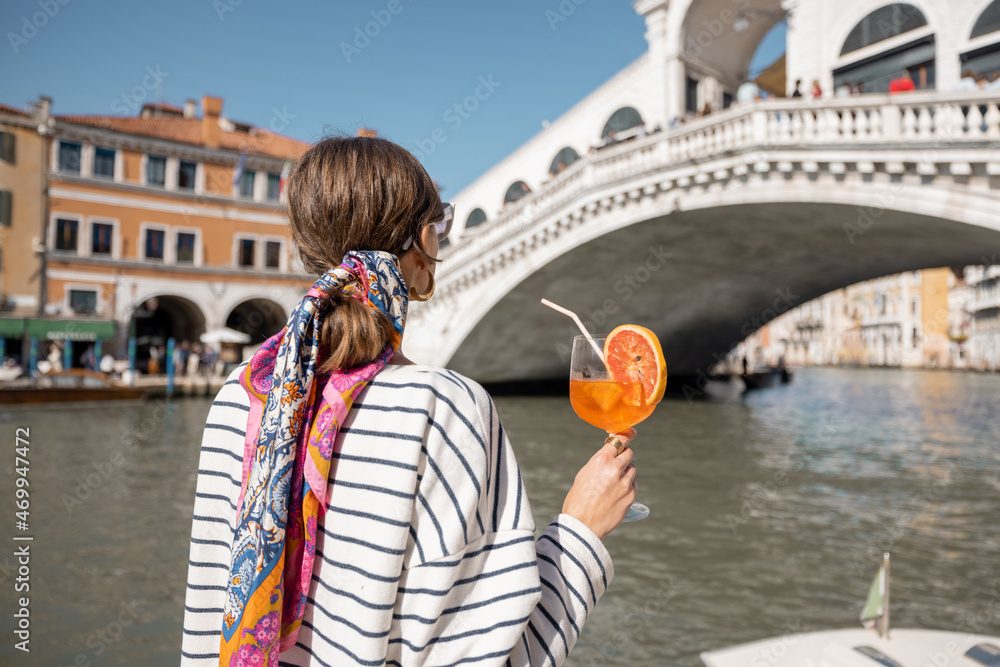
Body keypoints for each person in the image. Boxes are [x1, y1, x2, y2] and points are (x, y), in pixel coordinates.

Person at [181, 137, 639, 666]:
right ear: (422, 241)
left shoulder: (237, 396)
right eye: (439, 229)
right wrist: (581, 531)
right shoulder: (444, 410)